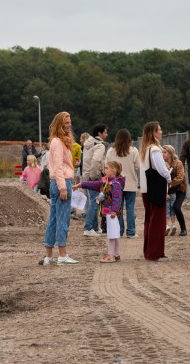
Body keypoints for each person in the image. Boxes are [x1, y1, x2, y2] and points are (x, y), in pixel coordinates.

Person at [40, 111, 78, 266]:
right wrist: (63, 187)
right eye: (66, 122)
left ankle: (49, 256)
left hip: (59, 182)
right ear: (59, 124)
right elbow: (57, 167)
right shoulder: (58, 142)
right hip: (61, 183)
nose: (69, 125)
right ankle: (62, 255)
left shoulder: (59, 142)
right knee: (62, 219)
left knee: (54, 219)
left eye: (69, 122)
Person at [74, 161, 125, 263]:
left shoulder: (116, 184)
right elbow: (93, 184)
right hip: (108, 212)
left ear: (114, 170)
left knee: (111, 234)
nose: (104, 170)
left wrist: (114, 211)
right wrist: (81, 184)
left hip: (112, 213)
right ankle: (116, 254)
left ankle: (111, 255)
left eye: (106, 168)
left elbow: (117, 198)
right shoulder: (105, 182)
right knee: (113, 233)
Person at [139, 121, 171, 261]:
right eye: (159, 130)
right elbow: (162, 170)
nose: (161, 132)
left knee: (150, 220)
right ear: (154, 133)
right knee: (158, 222)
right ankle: (156, 252)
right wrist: (169, 177)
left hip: (147, 189)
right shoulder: (155, 150)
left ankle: (149, 251)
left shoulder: (145, 149)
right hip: (156, 188)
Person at [106, 128, 140, 238]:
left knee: (117, 208)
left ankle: (119, 231)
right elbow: (138, 166)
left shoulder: (111, 151)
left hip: (116, 184)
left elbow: (106, 166)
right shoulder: (133, 150)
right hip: (130, 183)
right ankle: (131, 232)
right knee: (130, 208)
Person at [82, 124, 108, 237]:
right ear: (100, 133)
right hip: (93, 176)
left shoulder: (88, 143)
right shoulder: (100, 146)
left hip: (86, 175)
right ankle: (88, 228)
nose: (107, 134)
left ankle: (95, 227)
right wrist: (94, 177)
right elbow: (96, 162)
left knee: (93, 201)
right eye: (105, 132)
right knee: (94, 202)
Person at [163, 145, 188, 237]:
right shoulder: (161, 163)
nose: (162, 154)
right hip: (168, 191)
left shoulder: (178, 163)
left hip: (179, 190)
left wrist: (169, 183)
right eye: (162, 152)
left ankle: (183, 229)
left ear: (170, 153)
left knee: (176, 207)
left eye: (165, 152)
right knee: (166, 209)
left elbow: (180, 177)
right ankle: (166, 226)